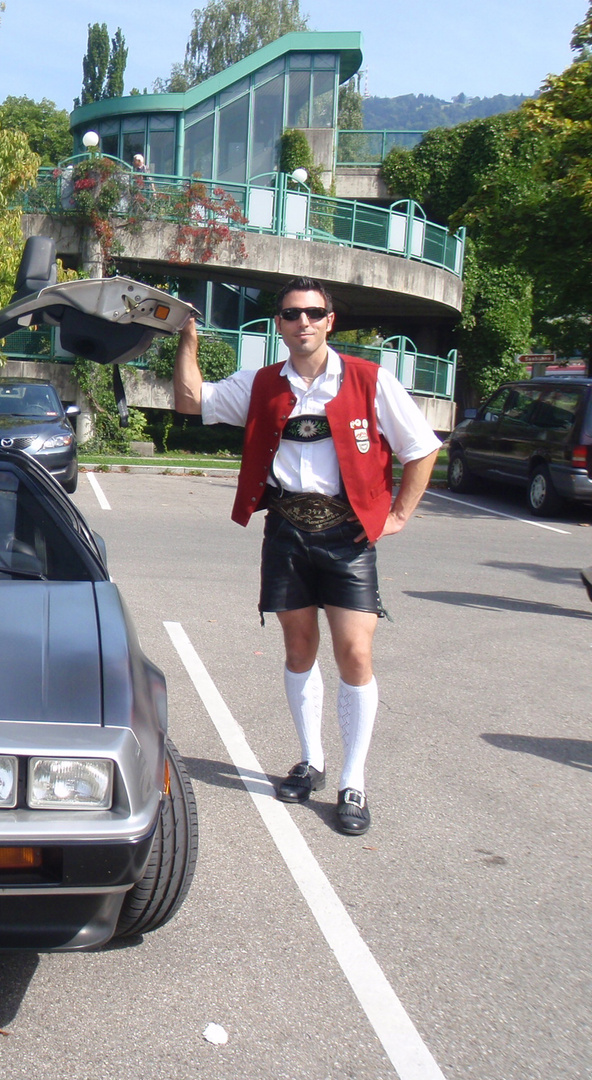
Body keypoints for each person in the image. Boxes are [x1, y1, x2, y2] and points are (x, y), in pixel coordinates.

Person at [171, 278, 441, 835]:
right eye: (293, 314)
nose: (304, 323)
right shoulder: (263, 383)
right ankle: (311, 761)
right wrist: (187, 337)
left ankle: (352, 781)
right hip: (288, 531)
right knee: (299, 648)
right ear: (280, 324)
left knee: (354, 653)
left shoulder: (369, 381)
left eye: (314, 313)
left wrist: (398, 516)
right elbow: (190, 399)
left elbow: (422, 449)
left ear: (330, 320)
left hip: (348, 535)